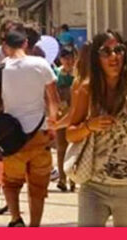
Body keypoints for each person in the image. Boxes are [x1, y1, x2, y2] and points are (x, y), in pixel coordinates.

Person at [65, 34, 127, 227]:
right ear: (96, 58)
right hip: (93, 186)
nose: (113, 56)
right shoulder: (87, 90)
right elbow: (70, 133)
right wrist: (89, 126)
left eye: (118, 50)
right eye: (106, 52)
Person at [0, 28, 60, 227]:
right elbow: (53, 99)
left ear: (5, 46)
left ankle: (15, 218)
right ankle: (35, 225)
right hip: (40, 134)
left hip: (12, 138)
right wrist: (53, 123)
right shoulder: (41, 64)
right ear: (26, 43)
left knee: (11, 183)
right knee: (38, 187)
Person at [54, 46, 77, 192]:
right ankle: (62, 178)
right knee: (61, 146)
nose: (68, 61)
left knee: (74, 146)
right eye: (65, 58)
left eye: (70, 58)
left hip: (76, 112)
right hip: (61, 113)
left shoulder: (79, 73)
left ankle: (73, 178)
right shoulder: (56, 73)